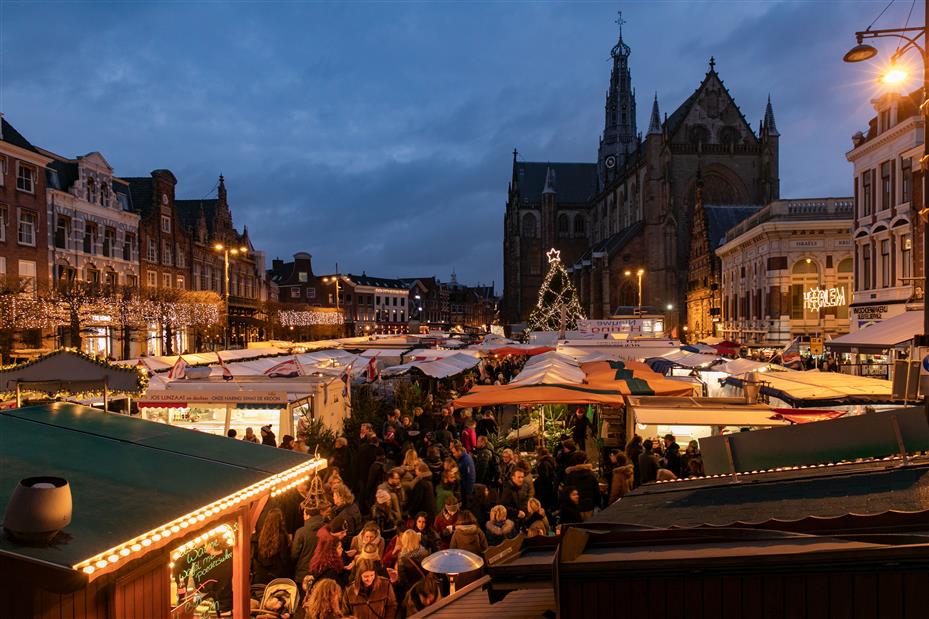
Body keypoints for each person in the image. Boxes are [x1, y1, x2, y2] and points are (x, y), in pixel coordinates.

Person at [253, 508, 293, 585]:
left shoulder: (261, 535)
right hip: (277, 576)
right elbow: (284, 558)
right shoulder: (282, 537)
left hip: (263, 574)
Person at [292, 501, 329, 586]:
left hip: (303, 574)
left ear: (307, 514)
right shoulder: (327, 529)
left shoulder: (301, 532)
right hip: (322, 573)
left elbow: (294, 554)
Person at [309, 517, 351, 584]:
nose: (345, 534)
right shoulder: (328, 544)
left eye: (346, 532)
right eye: (342, 532)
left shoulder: (334, 543)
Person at [394, 529, 428, 604]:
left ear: (404, 541)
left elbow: (402, 581)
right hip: (426, 589)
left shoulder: (402, 559)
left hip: (412, 592)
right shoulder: (425, 553)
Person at [564, 451, 599, 520]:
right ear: (584, 461)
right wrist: (598, 504)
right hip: (589, 506)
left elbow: (567, 493)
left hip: (575, 508)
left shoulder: (570, 476)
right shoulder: (591, 475)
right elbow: (596, 492)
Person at [533, 447, 558, 515]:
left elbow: (544, 476)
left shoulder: (544, 462)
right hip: (549, 486)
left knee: (545, 505)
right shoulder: (550, 460)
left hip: (544, 488)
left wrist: (536, 482)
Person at [450, 441, 475, 507]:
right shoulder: (461, 459)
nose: (453, 454)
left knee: (466, 507)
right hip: (463, 488)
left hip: (467, 490)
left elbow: (471, 477)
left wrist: (468, 493)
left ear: (459, 451)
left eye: (454, 453)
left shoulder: (466, 460)